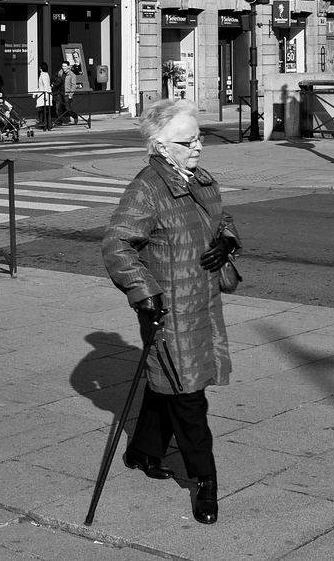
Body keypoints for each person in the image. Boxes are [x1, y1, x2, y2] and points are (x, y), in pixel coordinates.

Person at [101, 99, 239, 526]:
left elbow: (222, 217)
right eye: (187, 141)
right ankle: (205, 482)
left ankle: (143, 451)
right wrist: (144, 293)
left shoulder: (198, 178)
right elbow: (116, 244)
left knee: (171, 382)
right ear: (160, 145)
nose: (198, 146)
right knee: (188, 396)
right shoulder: (148, 187)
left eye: (200, 138)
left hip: (202, 301)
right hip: (167, 308)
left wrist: (229, 240)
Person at [54, 60, 80, 124]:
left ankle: (75, 116)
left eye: (65, 66)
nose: (63, 68)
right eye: (63, 66)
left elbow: (73, 86)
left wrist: (71, 94)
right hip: (60, 92)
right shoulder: (60, 72)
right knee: (58, 107)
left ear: (68, 67)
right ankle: (59, 120)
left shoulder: (72, 75)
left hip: (67, 93)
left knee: (67, 108)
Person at [35, 62, 53, 131]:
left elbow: (45, 86)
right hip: (44, 95)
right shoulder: (46, 75)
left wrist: (45, 95)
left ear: (40, 68)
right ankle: (47, 124)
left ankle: (44, 124)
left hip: (44, 96)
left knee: (42, 110)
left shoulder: (43, 75)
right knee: (45, 111)